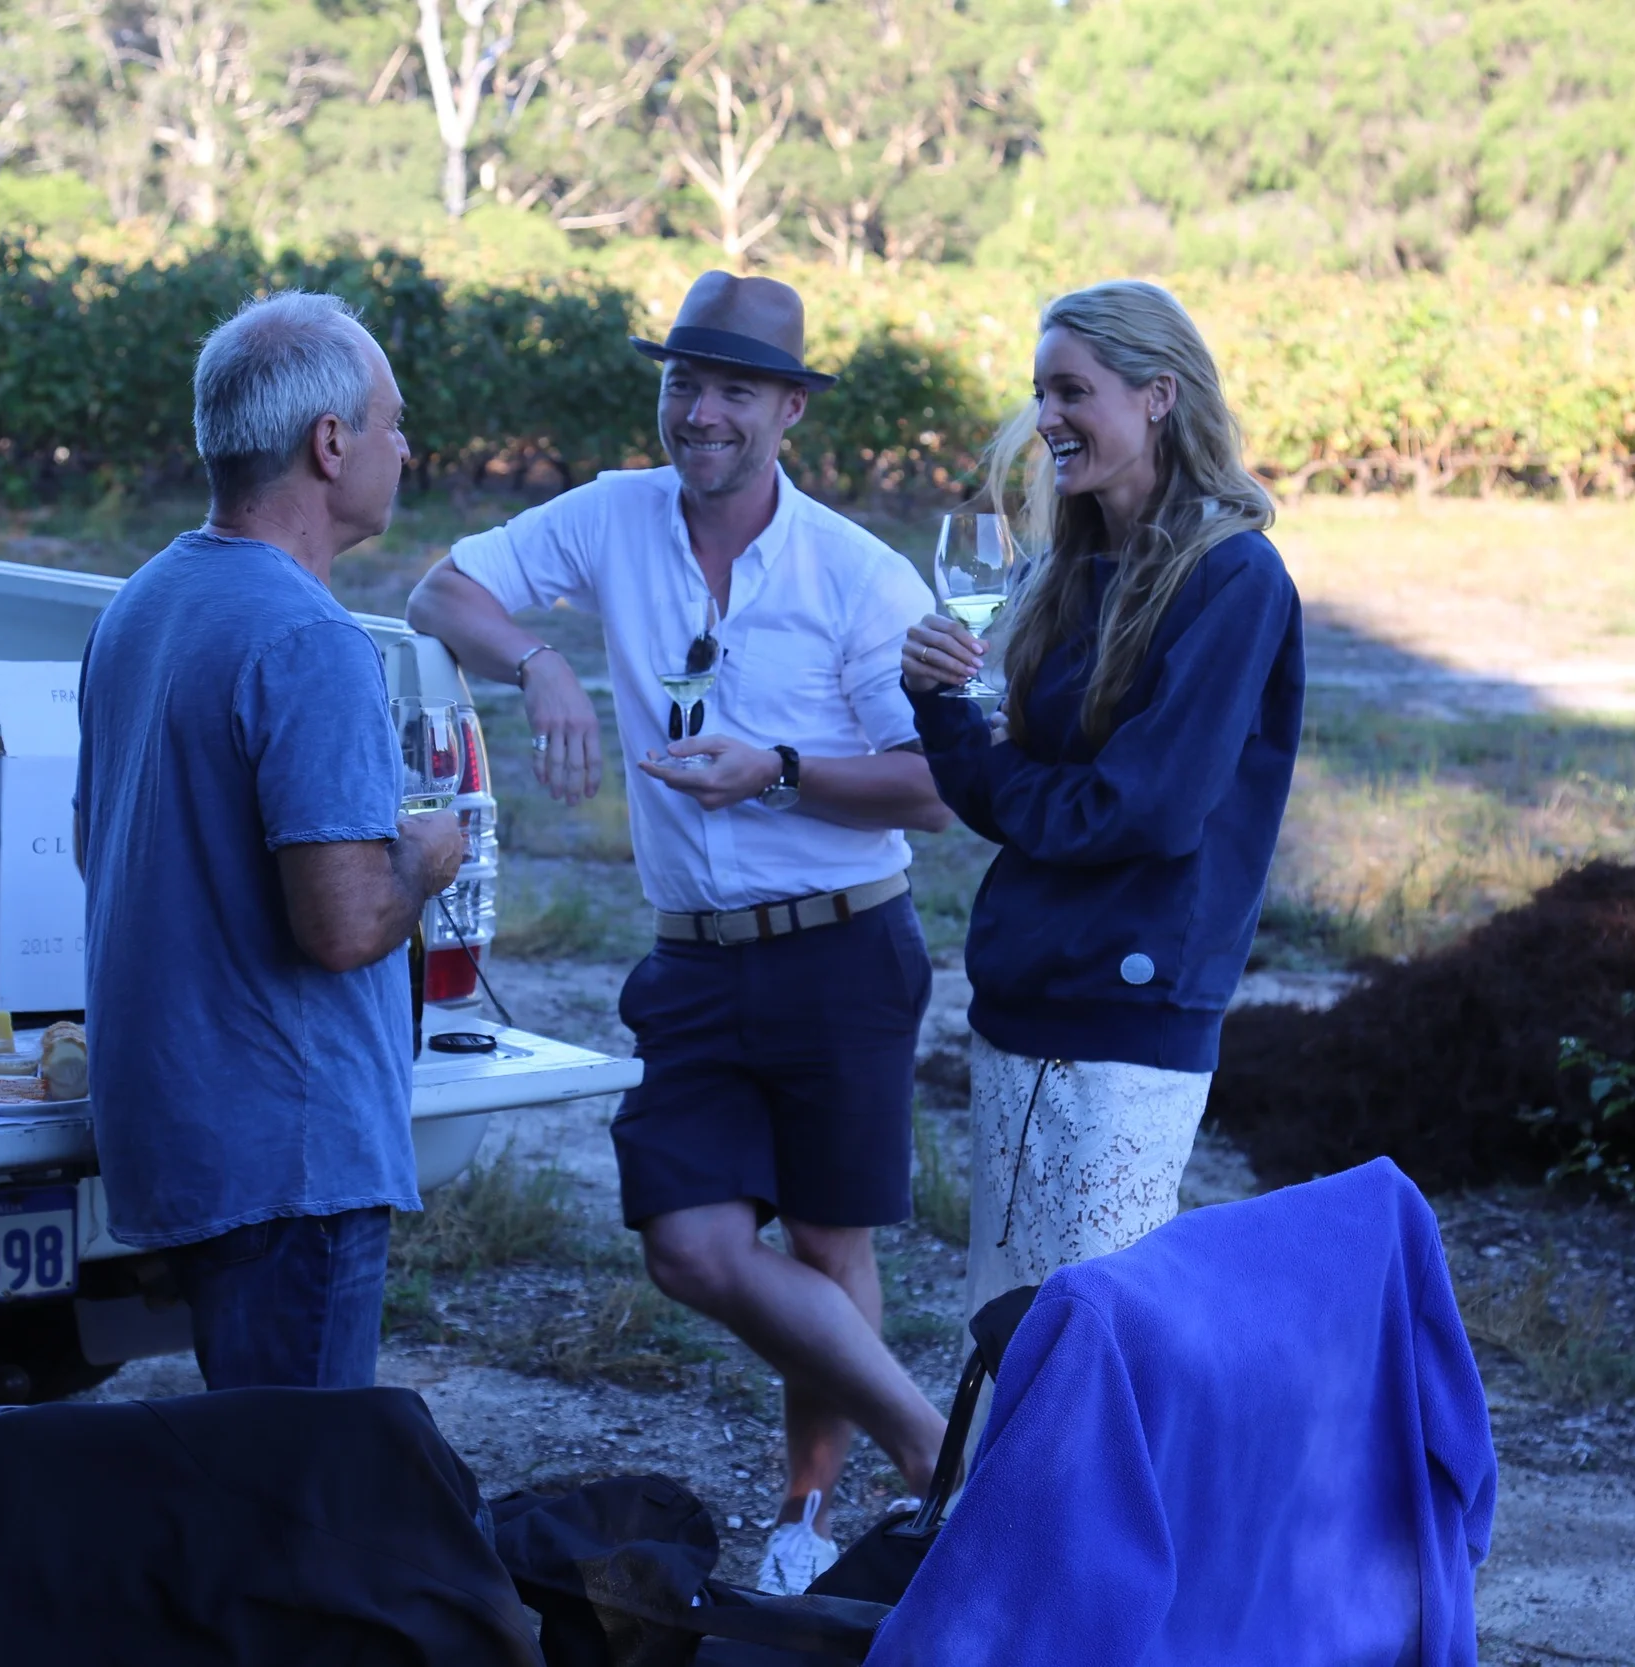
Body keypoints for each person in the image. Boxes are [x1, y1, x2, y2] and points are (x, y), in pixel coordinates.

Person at [405, 271, 952, 1594]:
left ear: (790, 411)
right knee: (689, 1242)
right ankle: (937, 1443)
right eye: (685, 384)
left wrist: (774, 768)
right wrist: (540, 662)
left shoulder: (856, 576)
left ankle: (807, 1522)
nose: (702, 413)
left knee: (828, 1247)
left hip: (840, 943)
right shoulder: (613, 515)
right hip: (694, 956)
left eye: (735, 391)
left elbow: (935, 786)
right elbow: (439, 587)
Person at [75, 292, 467, 1390]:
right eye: (392, 421)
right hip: (288, 1156)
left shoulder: (144, 601)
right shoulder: (311, 638)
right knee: (294, 1504)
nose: (406, 445)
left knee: (237, 1480)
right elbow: (341, 925)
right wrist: (427, 856)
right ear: (329, 444)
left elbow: (93, 845)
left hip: (178, 1128)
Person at [901, 279, 1305, 1319]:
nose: (1045, 420)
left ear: (1158, 394)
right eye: (1040, 392)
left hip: (1131, 1013)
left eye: (1071, 390)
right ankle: (990, 1489)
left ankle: (1086, 1493)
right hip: (1021, 994)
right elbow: (1011, 799)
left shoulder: (1235, 579)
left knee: (1093, 1328)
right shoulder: (1062, 573)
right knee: (1005, 1311)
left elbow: (1145, 812)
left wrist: (999, 765)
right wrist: (941, 705)